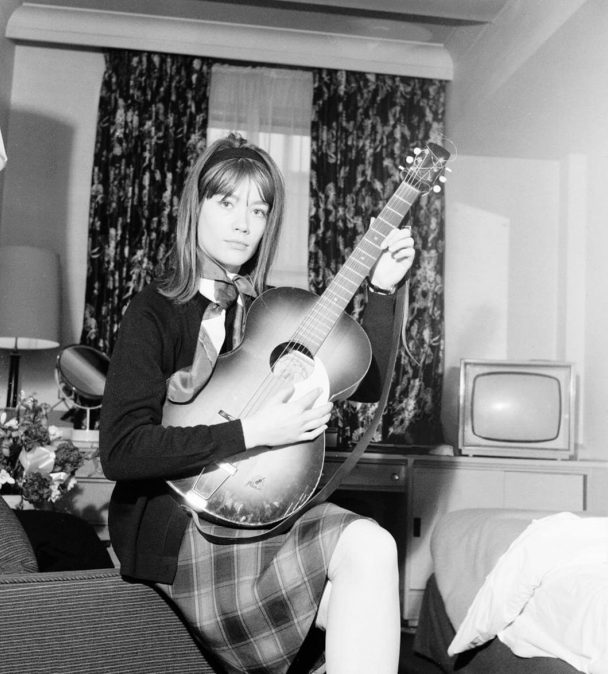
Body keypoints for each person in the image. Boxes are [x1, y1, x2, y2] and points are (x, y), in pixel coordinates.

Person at [100, 133, 415, 674]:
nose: (243, 223)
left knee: (374, 547)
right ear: (195, 208)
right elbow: (122, 451)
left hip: (266, 514)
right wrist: (254, 430)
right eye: (226, 202)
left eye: (258, 209)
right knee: (356, 600)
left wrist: (382, 292)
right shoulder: (154, 310)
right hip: (182, 529)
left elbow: (360, 382)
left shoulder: (271, 309)